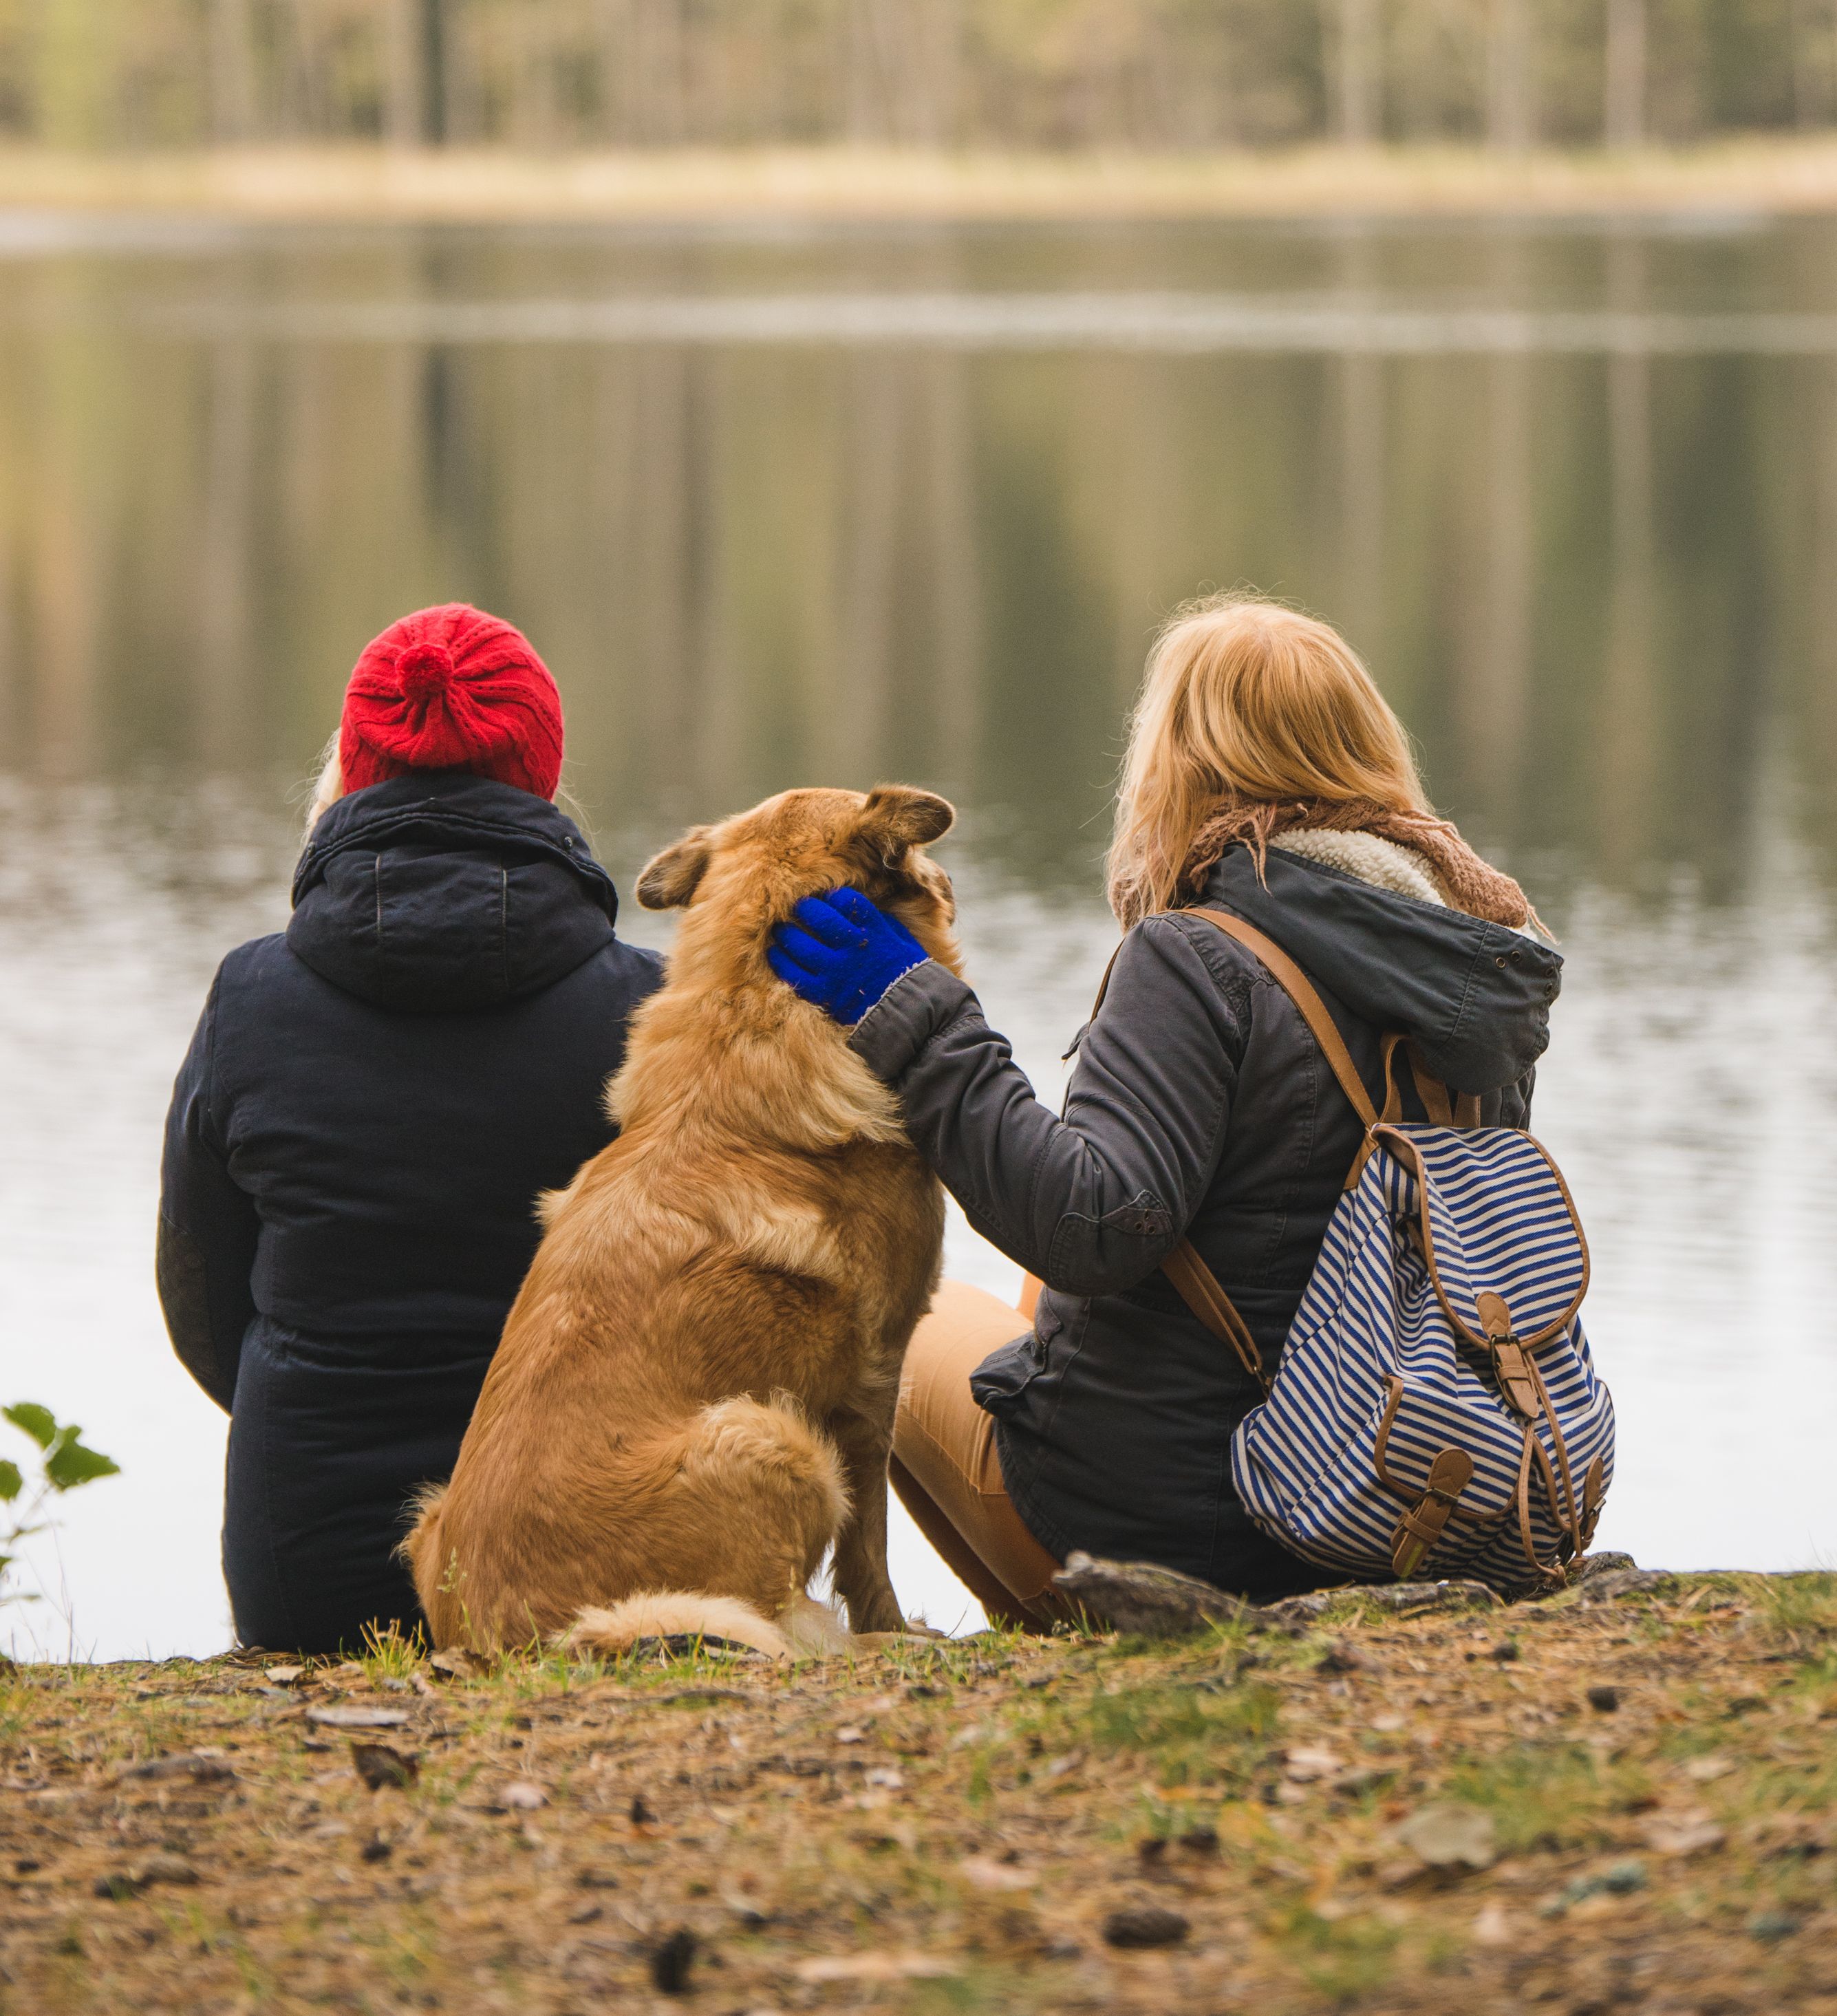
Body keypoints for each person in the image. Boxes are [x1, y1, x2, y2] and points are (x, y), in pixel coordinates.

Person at [769, 593, 1562, 1627]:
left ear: (1180, 763)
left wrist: (911, 1010)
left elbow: (1093, 1228)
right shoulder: (1468, 958)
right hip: (1405, 1488)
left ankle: (1079, 1623)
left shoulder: (1198, 954)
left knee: (909, 1336)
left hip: (1205, 1519)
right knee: (1027, 1292)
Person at [158, 604, 662, 1655]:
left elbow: (200, 1295)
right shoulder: (646, 1014)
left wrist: (299, 1395)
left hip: (310, 1578)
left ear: (352, 764)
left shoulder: (252, 995)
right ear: (541, 769)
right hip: (573, 1568)